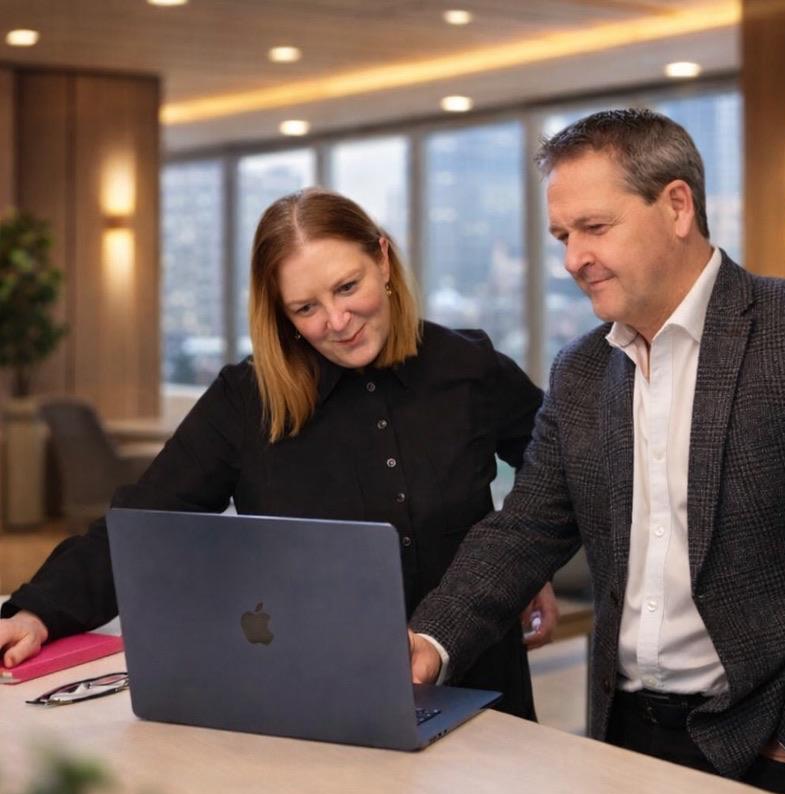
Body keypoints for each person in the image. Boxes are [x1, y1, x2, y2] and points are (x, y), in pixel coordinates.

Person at [409, 108, 785, 794]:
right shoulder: (580, 371)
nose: (573, 259)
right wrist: (430, 640)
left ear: (676, 206)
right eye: (563, 236)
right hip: (623, 736)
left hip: (780, 745)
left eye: (595, 229)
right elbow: (527, 530)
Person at [0, 188, 558, 720]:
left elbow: (556, 471)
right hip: (318, 691)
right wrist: (40, 610)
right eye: (305, 308)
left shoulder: (469, 366)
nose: (336, 323)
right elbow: (145, 524)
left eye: (347, 287)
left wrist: (519, 567)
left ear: (383, 260)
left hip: (481, 681)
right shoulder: (245, 401)